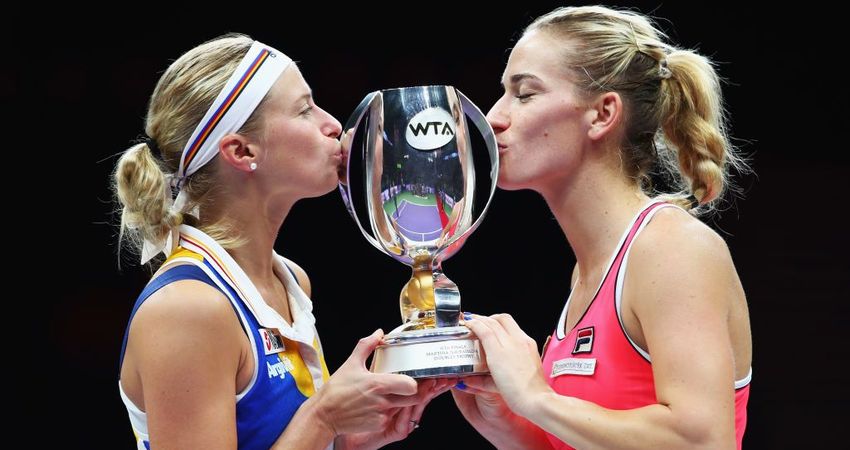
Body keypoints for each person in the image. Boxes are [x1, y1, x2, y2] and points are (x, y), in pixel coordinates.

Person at [113, 34, 450, 450]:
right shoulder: (187, 308)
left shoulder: (290, 278)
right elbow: (311, 425)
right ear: (241, 150)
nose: (331, 124)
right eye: (304, 109)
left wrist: (350, 439)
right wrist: (325, 416)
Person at [451, 6, 752, 450]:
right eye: (503, 93)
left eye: (525, 93)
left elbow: (702, 441)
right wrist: (511, 427)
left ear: (602, 114)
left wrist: (536, 400)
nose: (495, 116)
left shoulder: (672, 248)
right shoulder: (587, 273)